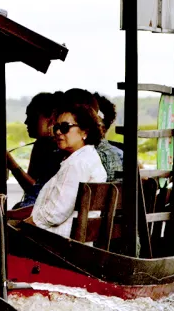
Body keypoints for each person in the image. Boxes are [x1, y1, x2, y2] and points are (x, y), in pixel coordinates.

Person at [12, 99, 107, 236]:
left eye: (65, 127)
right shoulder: (88, 157)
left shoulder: (77, 164)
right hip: (70, 239)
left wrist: (24, 226)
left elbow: (55, 213)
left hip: (57, 244)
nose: (57, 132)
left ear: (84, 132)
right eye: (56, 127)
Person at [8, 92, 62, 209]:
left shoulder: (60, 149)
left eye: (32, 116)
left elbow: (38, 192)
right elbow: (30, 188)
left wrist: (11, 164)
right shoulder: (41, 145)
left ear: (51, 118)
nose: (26, 122)